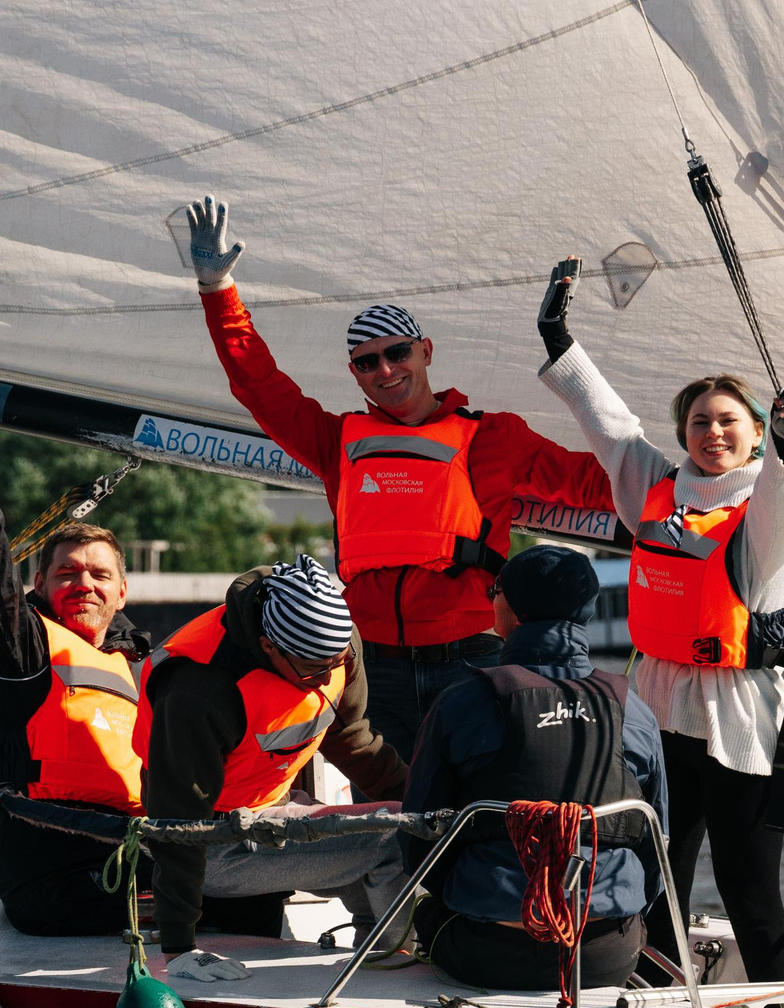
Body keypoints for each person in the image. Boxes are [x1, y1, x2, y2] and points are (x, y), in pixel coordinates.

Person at [179, 196, 613, 756]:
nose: (385, 370)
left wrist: (700, 477)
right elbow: (257, 383)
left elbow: (598, 482)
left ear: (425, 351)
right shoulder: (336, 441)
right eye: (367, 361)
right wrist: (218, 293)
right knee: (386, 818)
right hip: (370, 665)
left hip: (472, 656)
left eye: (398, 352)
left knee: (475, 811)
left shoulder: (494, 436)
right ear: (354, 373)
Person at [531, 257, 784, 983]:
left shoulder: (765, 512)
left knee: (751, 891)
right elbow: (610, 426)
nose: (712, 433)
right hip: (660, 707)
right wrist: (559, 341)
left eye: (729, 422)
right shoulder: (659, 490)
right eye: (699, 422)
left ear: (753, 433)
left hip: (742, 718)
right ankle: (656, 1001)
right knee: (656, 880)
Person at [401, 545, 669, 992]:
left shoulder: (462, 703)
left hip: (489, 952)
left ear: (508, 607)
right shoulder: (635, 710)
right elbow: (656, 846)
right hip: (604, 956)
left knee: (428, 914)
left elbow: (418, 840)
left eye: (495, 591)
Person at [138, 555, 409, 957]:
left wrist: (428, 805)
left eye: (335, 666)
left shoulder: (339, 646)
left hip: (274, 809)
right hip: (214, 841)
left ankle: (376, 961)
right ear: (268, 647)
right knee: (395, 839)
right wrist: (179, 948)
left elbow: (352, 739)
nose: (324, 680)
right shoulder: (199, 689)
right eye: (313, 671)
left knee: (411, 828)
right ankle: (400, 970)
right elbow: (178, 823)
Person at [0, 411, 149, 934]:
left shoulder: (134, 668)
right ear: (41, 584)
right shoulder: (24, 648)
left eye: (100, 574)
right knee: (212, 883)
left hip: (126, 847)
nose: (85, 583)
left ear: (121, 592)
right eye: (67, 572)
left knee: (249, 873)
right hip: (47, 867)